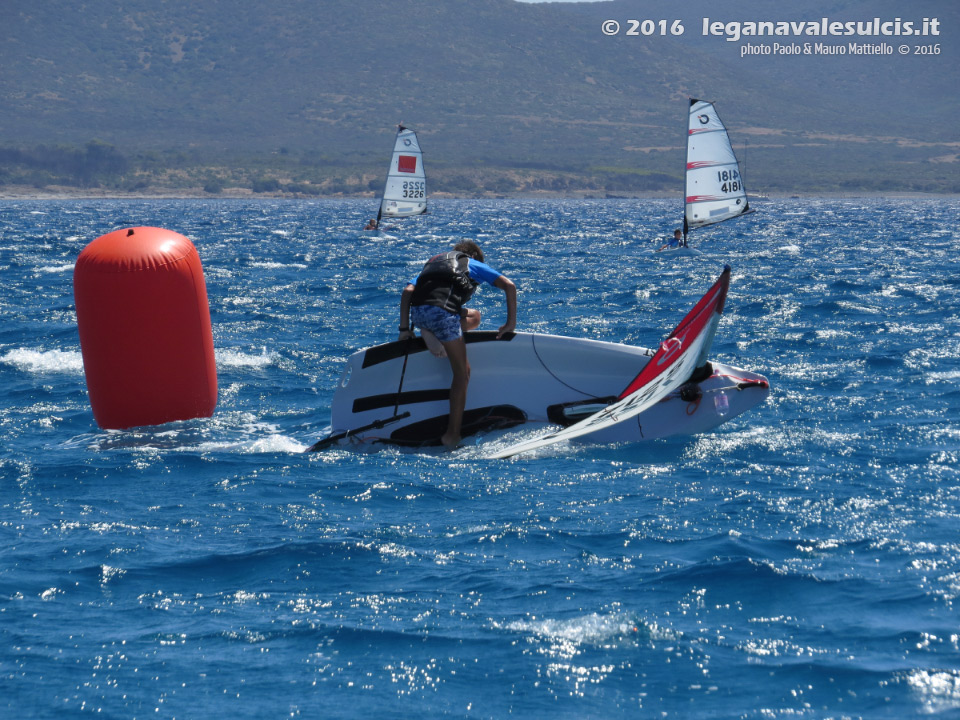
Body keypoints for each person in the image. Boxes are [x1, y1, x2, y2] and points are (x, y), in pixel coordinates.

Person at [398, 240, 517, 450]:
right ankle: (452, 435)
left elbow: (408, 291)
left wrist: (404, 330)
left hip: (418, 314)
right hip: (442, 314)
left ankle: (429, 331)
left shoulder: (435, 262)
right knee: (463, 373)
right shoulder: (472, 263)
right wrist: (510, 324)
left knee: (475, 316)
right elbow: (509, 286)